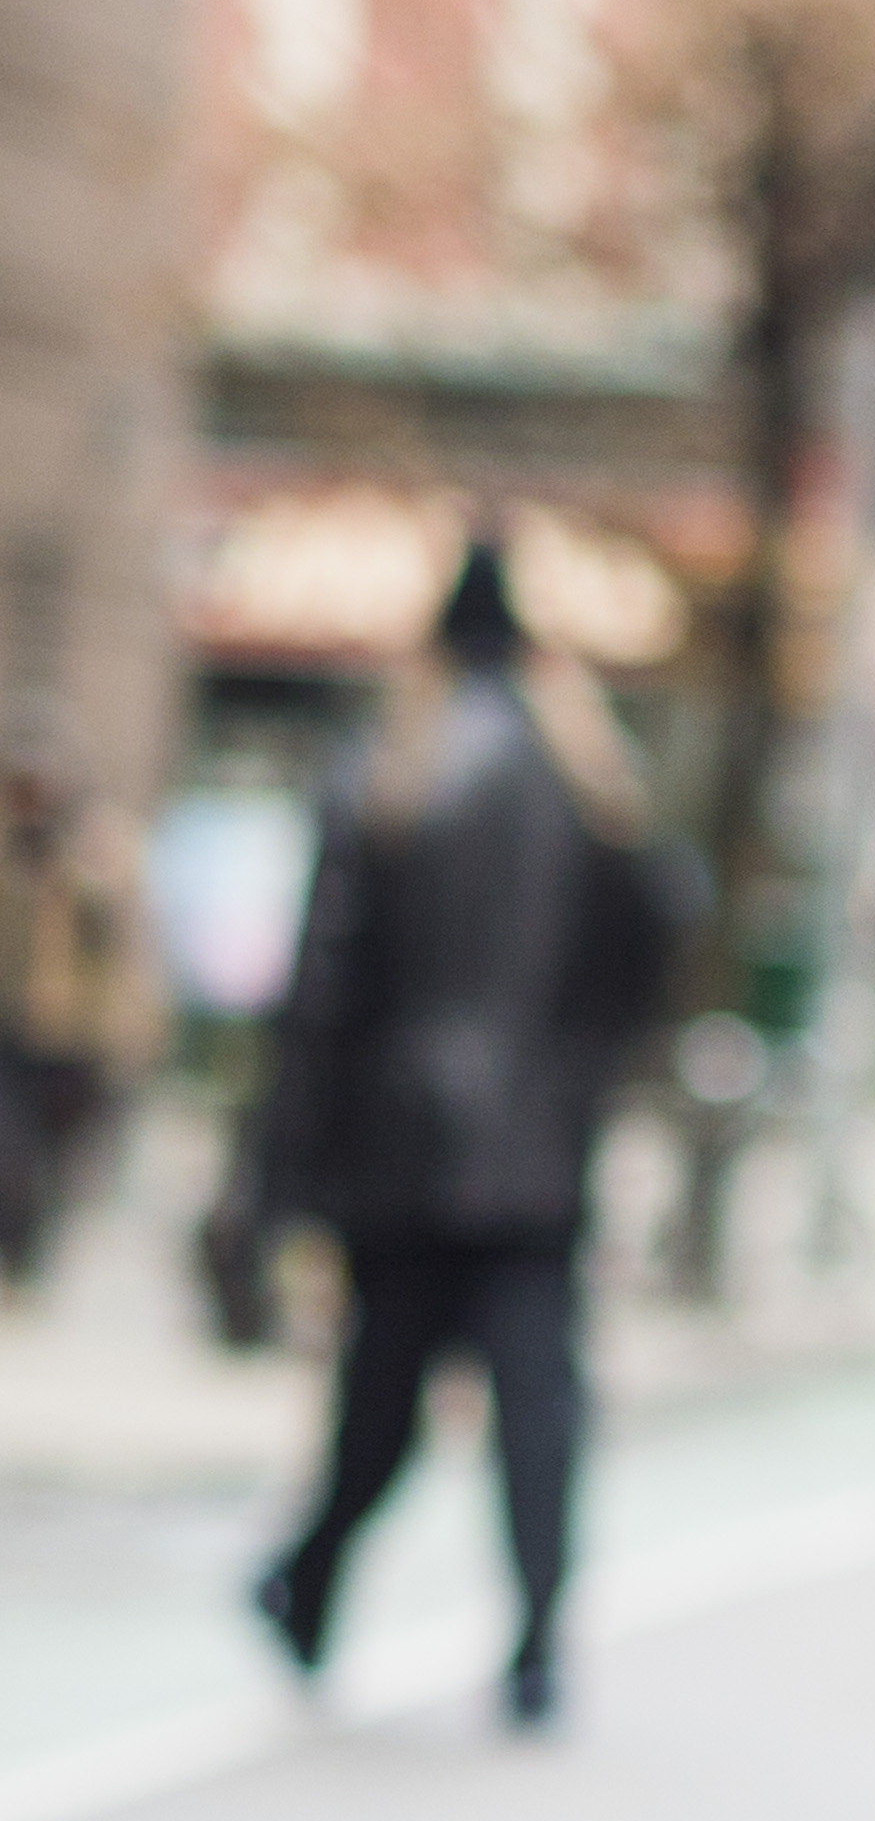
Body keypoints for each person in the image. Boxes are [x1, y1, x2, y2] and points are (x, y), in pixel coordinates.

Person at [244, 534, 689, 1728]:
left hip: (398, 1160)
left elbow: (321, 994)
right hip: (539, 1162)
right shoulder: (595, 784)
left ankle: (308, 1585)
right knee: (536, 1407)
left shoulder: (386, 769)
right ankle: (536, 1644)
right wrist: (582, 1081)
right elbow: (657, 952)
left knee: (376, 1407)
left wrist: (279, 1176)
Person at [0, 727, 157, 1290]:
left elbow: (124, 938)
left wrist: (129, 1030)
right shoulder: (14, 842)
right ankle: (17, 1248)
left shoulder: (99, 842)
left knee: (52, 1153)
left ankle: (31, 1254)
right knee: (11, 1146)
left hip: (73, 1032)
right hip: (14, 1024)